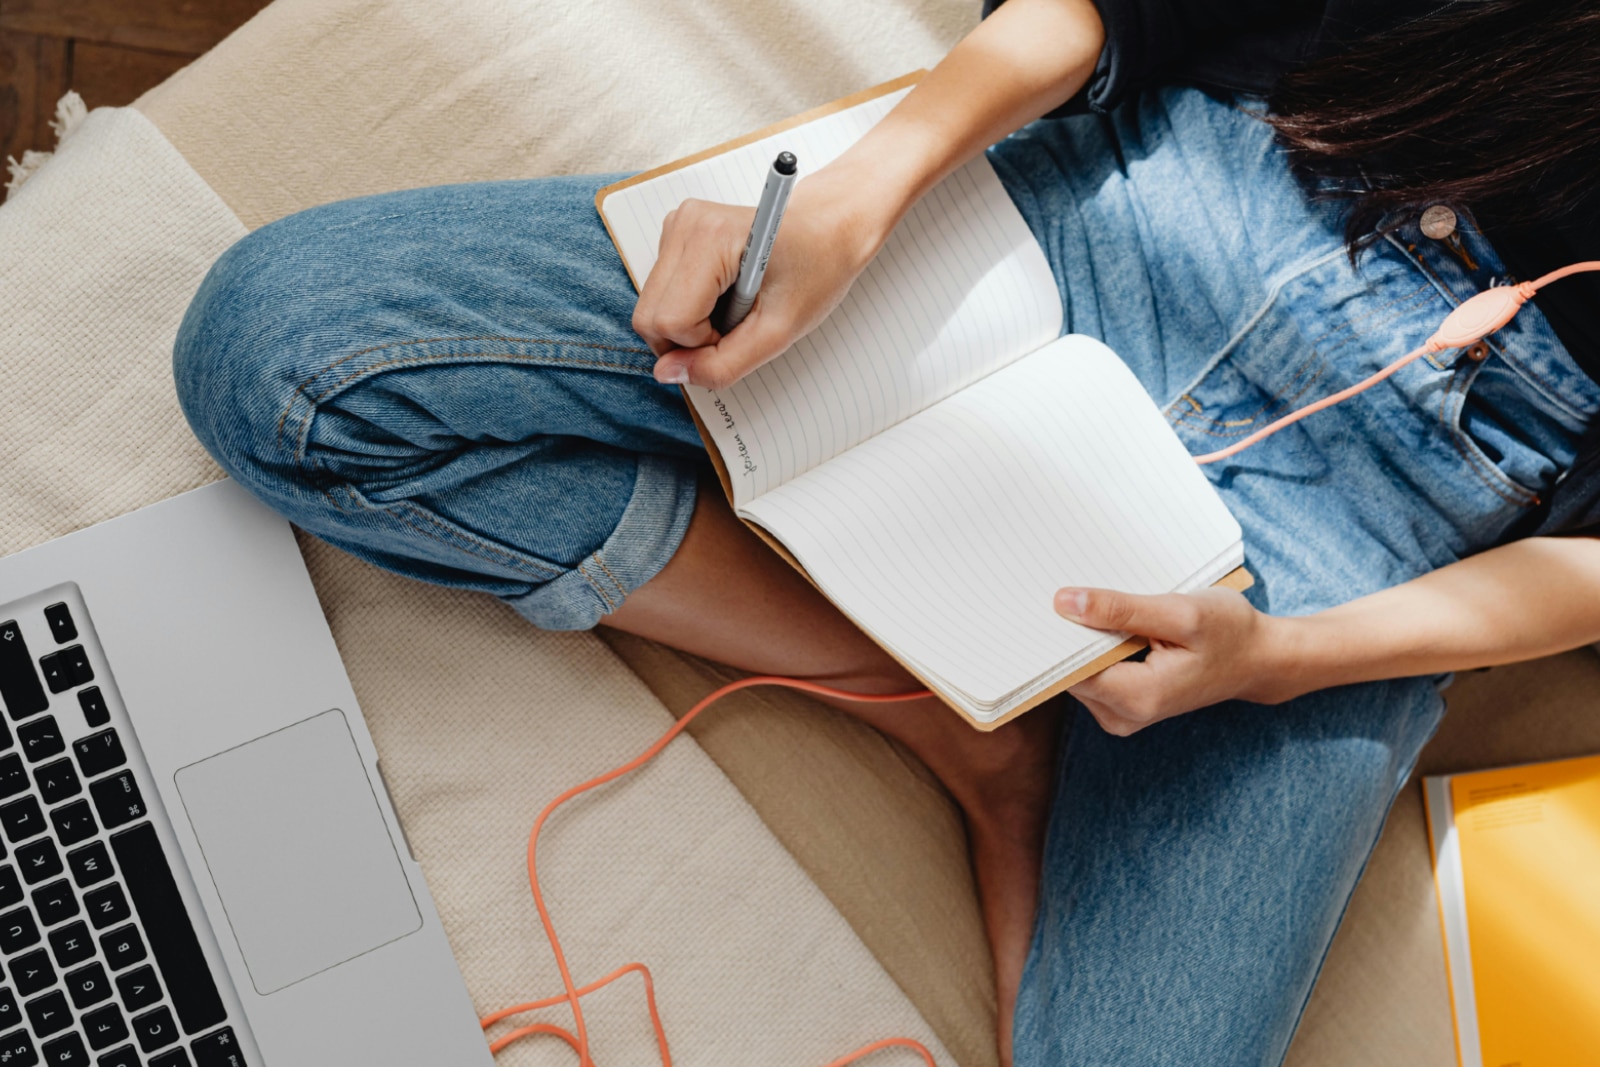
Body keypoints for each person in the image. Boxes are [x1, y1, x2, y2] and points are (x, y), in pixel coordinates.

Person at [172, 0, 1599, 1063]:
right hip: (1114, 228)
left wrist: (1285, 658)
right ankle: (948, 714)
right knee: (281, 357)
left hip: (1381, 534)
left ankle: (1022, 700)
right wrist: (859, 193)